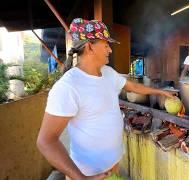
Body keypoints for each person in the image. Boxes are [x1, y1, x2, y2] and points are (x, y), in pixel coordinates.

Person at [36, 18, 175, 180]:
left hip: (112, 168)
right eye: (106, 45)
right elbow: (46, 141)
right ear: (89, 47)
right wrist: (80, 178)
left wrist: (160, 92)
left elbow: (133, 87)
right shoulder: (68, 86)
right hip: (87, 174)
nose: (110, 50)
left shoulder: (108, 73)